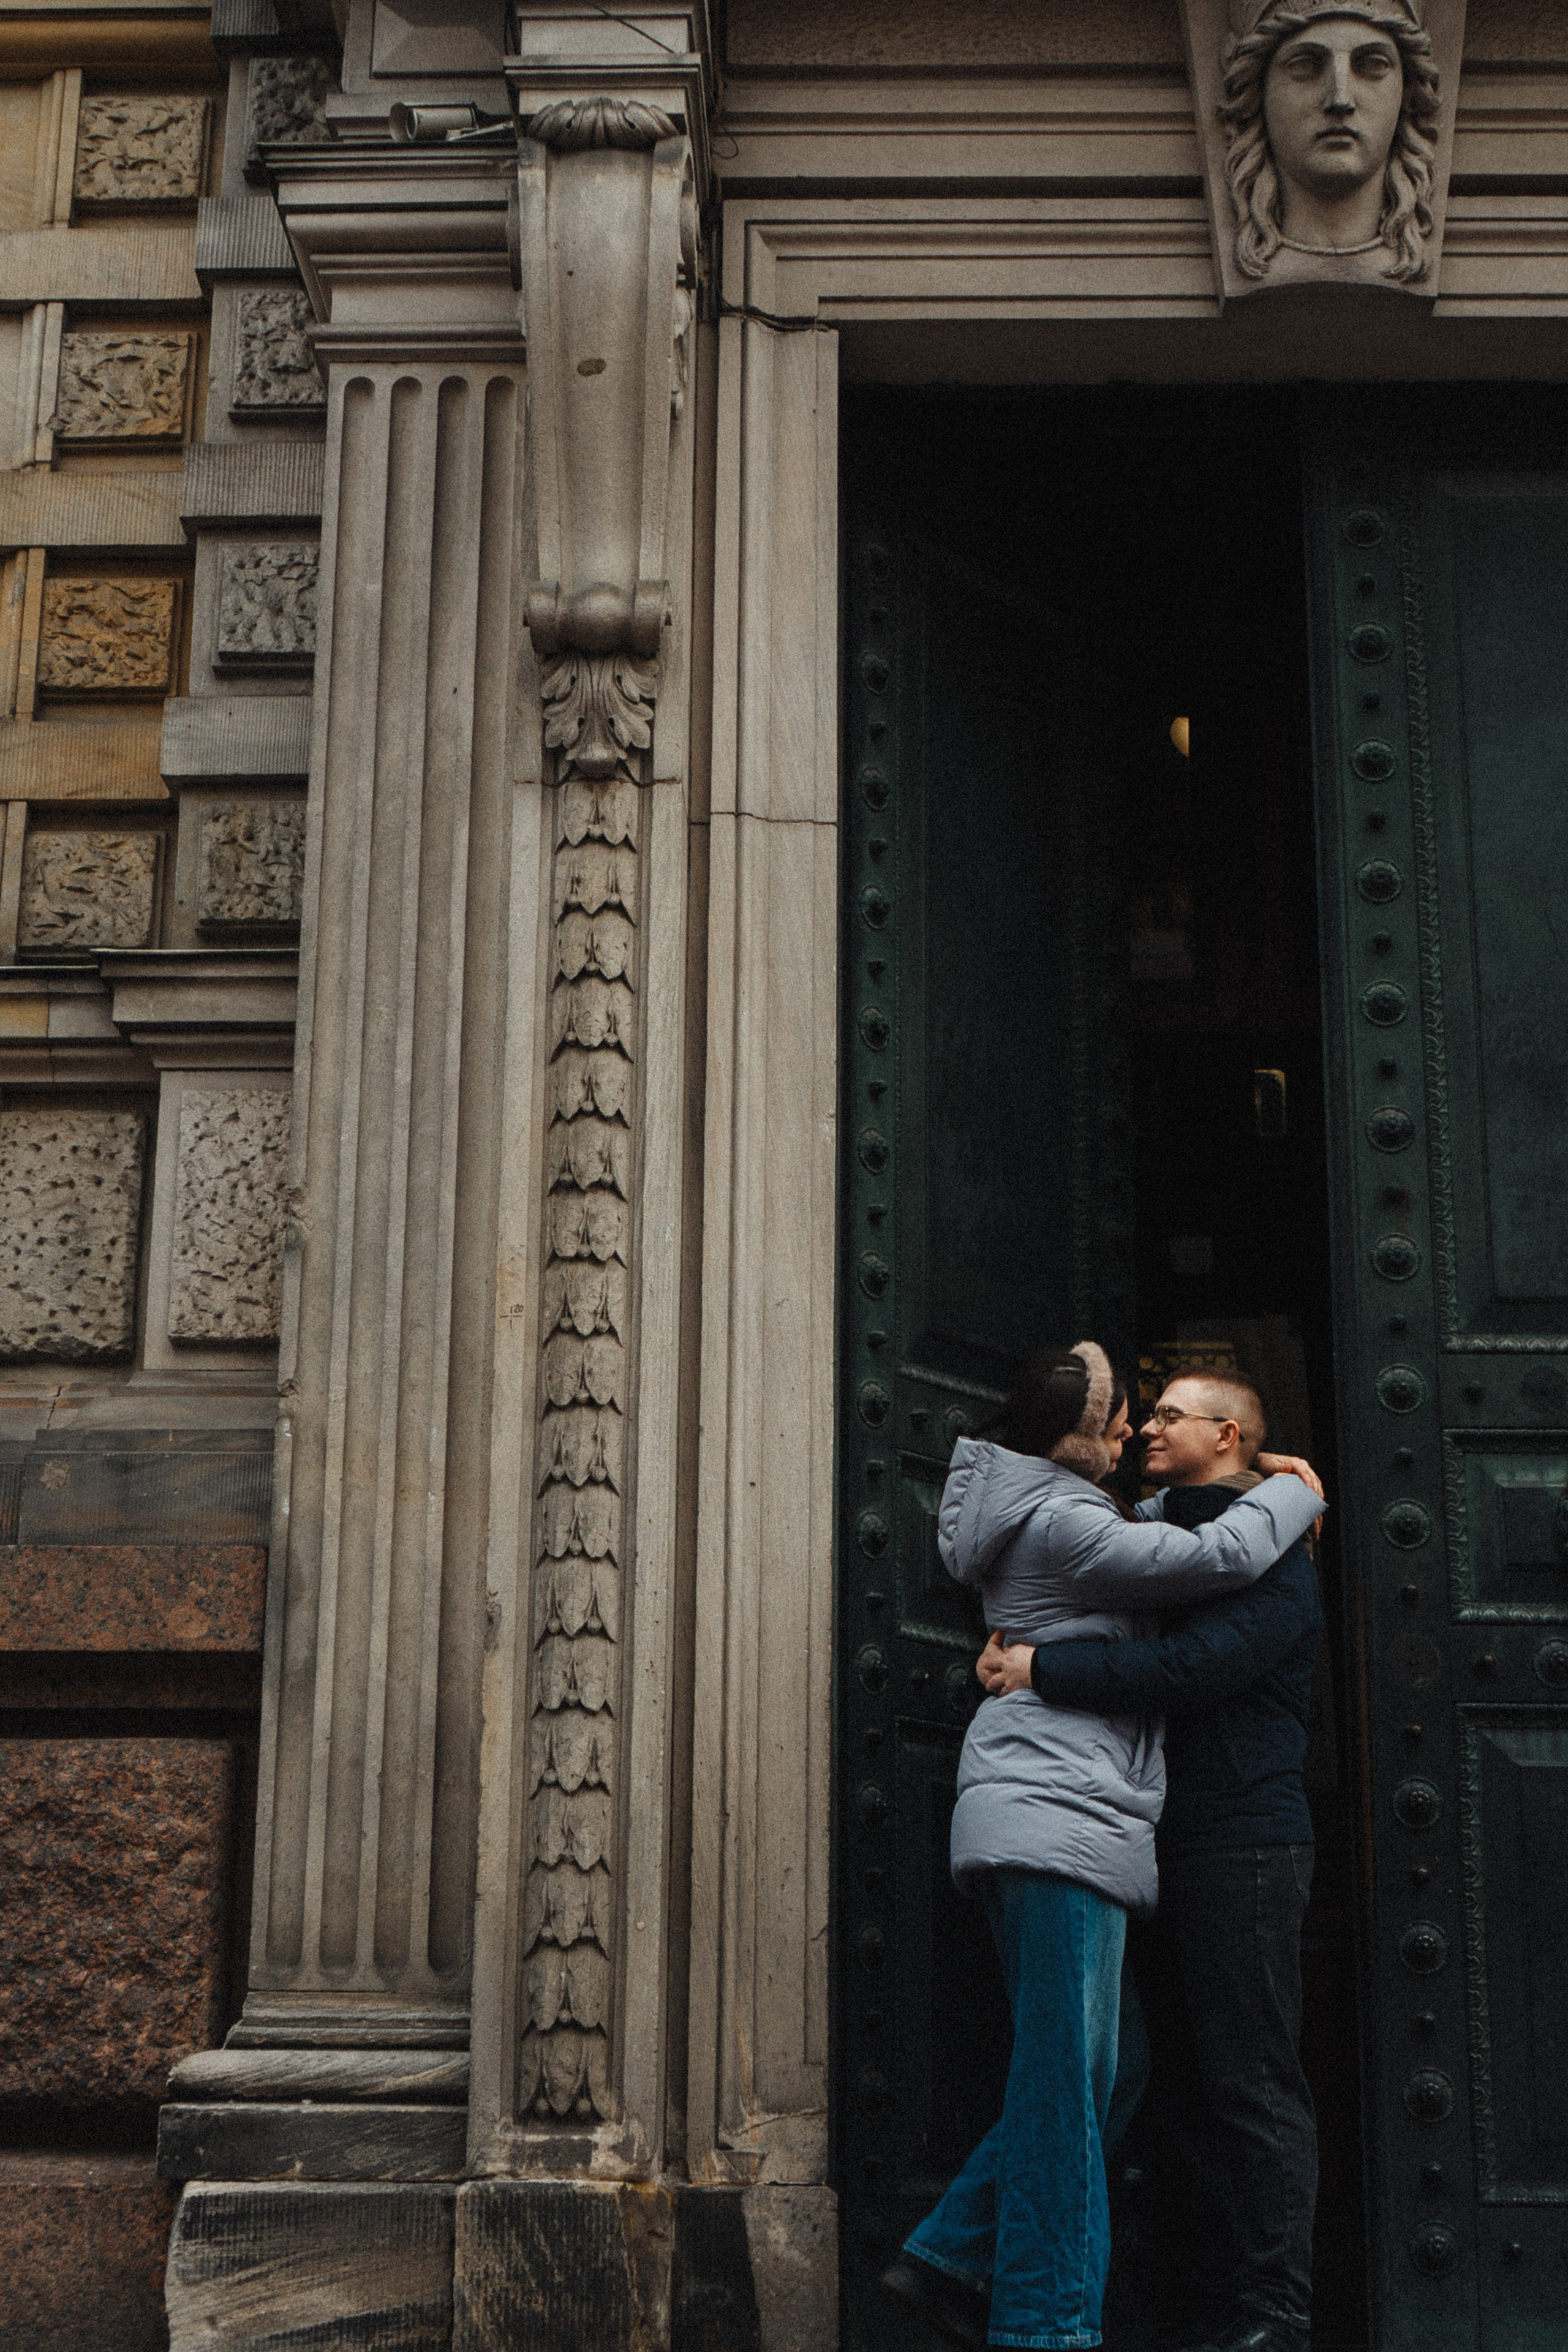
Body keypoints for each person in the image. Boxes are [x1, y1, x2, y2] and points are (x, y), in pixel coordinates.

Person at [880, 1344, 1325, 2352]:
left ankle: (959, 2258)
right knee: (1072, 2080)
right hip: (1062, 1818)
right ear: (1078, 1433)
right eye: (1132, 1413)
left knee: (1125, 2075)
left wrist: (1044, 1663)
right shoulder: (1072, 1520)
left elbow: (1194, 1611)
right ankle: (1048, 2325)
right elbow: (1199, 1568)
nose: (1141, 1430)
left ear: (1228, 1439)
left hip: (1173, 1834)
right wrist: (1294, 1492)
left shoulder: (1116, 1521)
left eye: (1168, 1415)